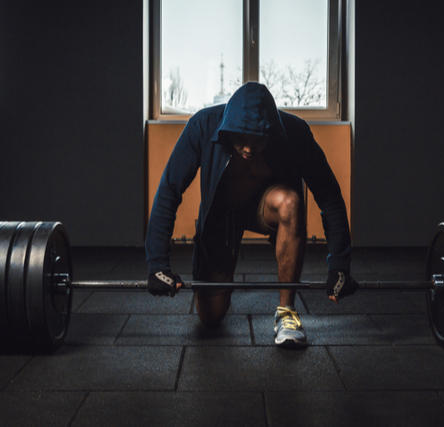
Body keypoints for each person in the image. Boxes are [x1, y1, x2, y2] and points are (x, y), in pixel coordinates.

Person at [145, 82, 358, 348]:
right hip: (221, 218)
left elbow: (329, 196)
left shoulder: (295, 133)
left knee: (290, 202)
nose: (248, 148)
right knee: (211, 319)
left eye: (258, 140)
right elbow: (169, 191)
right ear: (228, 129)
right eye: (241, 139)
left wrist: (339, 265)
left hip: (265, 206)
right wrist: (157, 265)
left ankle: (287, 313)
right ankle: (219, 278)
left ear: (271, 131)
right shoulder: (203, 125)